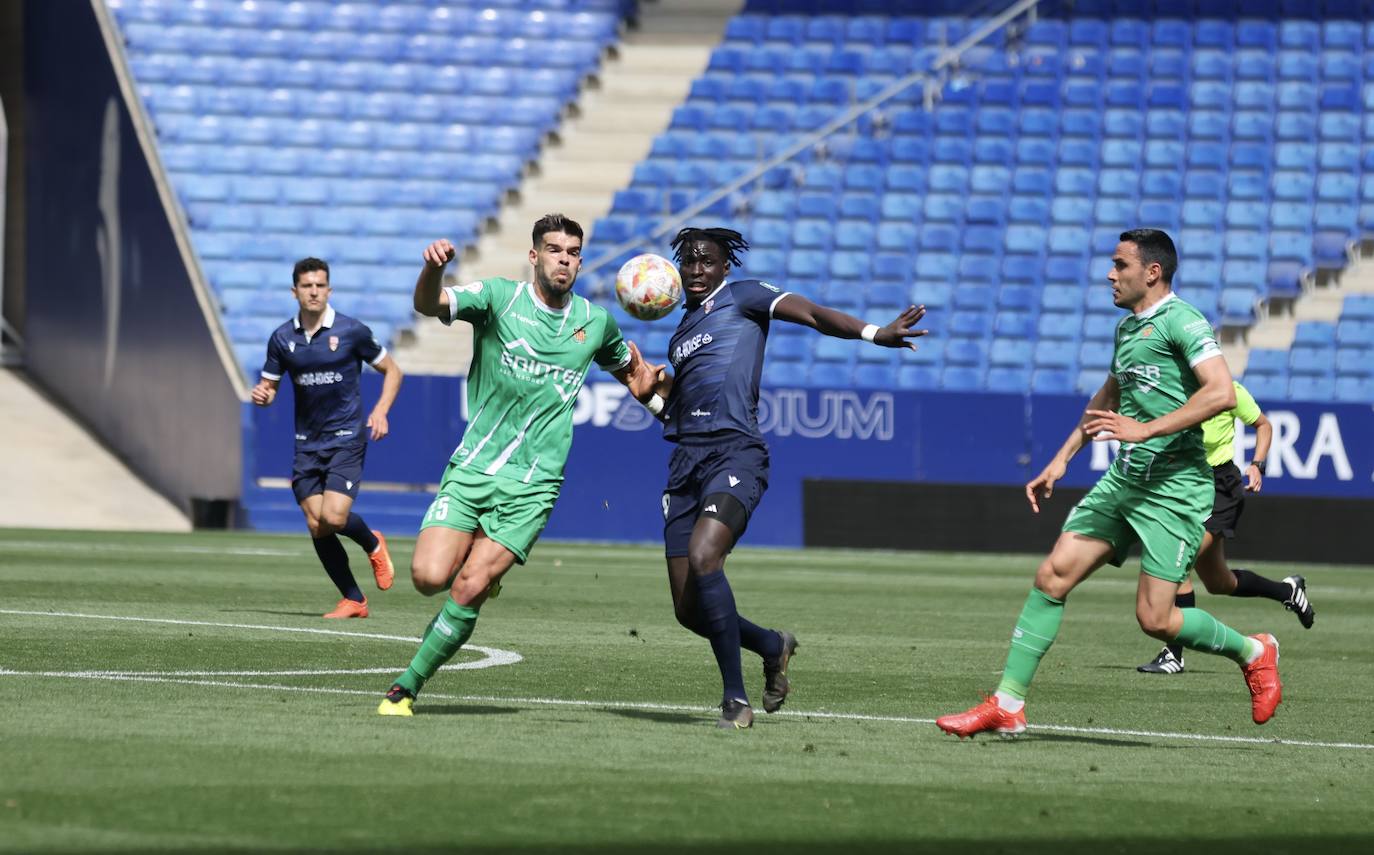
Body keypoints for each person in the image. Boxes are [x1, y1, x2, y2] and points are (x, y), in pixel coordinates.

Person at [936, 229, 1282, 739]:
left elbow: (1222, 393)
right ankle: (1007, 704)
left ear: (1152, 272)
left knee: (1157, 620)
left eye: (1120, 264)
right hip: (1124, 481)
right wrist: (1061, 460)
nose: (1109, 273)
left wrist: (1145, 429)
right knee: (1052, 576)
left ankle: (1255, 651)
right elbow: (1107, 398)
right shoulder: (1126, 330)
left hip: (1175, 489)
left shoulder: (1183, 321)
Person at [633, 227, 927, 729]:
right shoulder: (680, 333)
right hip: (685, 463)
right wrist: (650, 396)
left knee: (707, 558)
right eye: (690, 263)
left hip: (735, 454)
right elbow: (676, 415)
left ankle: (734, 700)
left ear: (727, 267)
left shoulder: (745, 297)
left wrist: (875, 333)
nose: (698, 270)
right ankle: (773, 645)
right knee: (687, 611)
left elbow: (813, 315)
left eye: (708, 261)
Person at [377, 214, 657, 716]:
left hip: (533, 485)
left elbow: (634, 375)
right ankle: (480, 575)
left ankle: (406, 687)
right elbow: (427, 304)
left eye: (573, 252)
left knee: (469, 586)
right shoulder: (499, 299)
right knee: (426, 577)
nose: (564, 259)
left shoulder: (594, 323)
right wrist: (432, 271)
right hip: (472, 470)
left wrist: (652, 396)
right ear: (534, 256)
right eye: (554, 249)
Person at [251, 257, 403, 618]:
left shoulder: (352, 331)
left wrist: (380, 411)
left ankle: (372, 542)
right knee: (316, 525)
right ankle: (354, 599)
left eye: (320, 285)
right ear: (295, 292)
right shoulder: (282, 338)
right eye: (307, 286)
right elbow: (269, 387)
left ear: (329, 290)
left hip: (346, 437)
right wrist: (263, 395)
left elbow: (393, 370)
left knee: (334, 518)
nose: (314, 291)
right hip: (307, 443)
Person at [1138, 380, 1314, 674]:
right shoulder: (1174, 388)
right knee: (1219, 583)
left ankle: (1174, 654)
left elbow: (1264, 425)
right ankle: (1287, 591)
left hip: (1220, 489)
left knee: (1179, 563)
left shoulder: (1228, 390)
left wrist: (1257, 464)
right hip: (1187, 487)